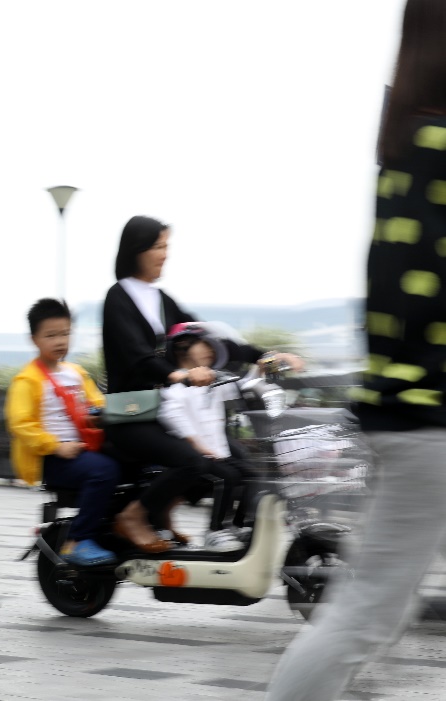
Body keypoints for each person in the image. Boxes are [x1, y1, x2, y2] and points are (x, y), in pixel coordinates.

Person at [267, 2, 446, 697]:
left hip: (409, 412)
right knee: (366, 613)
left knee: (373, 607)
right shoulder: (434, 146)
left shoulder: (405, 146)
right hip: (431, 414)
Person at [101, 216, 300, 553]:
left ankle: (192, 520)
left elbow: (207, 338)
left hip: (166, 412)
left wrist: (264, 356)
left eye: (166, 246)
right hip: (134, 415)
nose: (165, 254)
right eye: (158, 246)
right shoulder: (117, 298)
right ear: (137, 250)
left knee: (235, 458)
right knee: (192, 460)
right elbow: (135, 354)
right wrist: (177, 374)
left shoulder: (161, 299)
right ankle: (133, 516)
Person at [5, 298, 120, 566]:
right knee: (104, 471)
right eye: (51, 335)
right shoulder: (27, 380)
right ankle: (78, 541)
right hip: (50, 458)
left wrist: (102, 414)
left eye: (65, 333)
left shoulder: (76, 373)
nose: (60, 341)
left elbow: (97, 405)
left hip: (81, 449)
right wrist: (57, 446)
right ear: (34, 339)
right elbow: (20, 424)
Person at [158, 323, 253, 552]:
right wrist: (196, 444)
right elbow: (171, 415)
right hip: (196, 454)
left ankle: (237, 525)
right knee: (226, 478)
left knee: (253, 476)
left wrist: (261, 369)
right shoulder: (175, 388)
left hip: (217, 451)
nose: (211, 352)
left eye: (213, 348)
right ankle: (215, 530)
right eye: (205, 347)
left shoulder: (215, 382)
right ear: (182, 348)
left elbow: (242, 386)